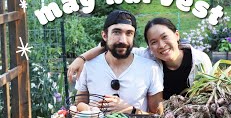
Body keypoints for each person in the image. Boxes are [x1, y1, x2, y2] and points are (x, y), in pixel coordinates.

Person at [69, 17, 212, 100]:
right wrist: (81, 58)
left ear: (176, 35)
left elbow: (209, 95)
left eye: (165, 37)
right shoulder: (147, 56)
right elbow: (115, 46)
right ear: (149, 46)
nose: (161, 45)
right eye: (153, 42)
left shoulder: (199, 61)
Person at [75, 10, 164, 114]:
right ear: (105, 36)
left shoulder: (150, 68)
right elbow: (79, 104)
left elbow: (157, 117)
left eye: (129, 33)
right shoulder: (88, 66)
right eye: (116, 32)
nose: (123, 40)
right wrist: (89, 111)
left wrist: (130, 110)